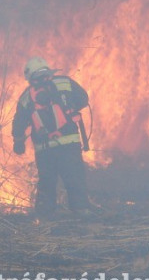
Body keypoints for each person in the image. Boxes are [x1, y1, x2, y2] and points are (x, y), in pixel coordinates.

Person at [11, 57, 93, 217]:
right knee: (74, 178)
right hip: (70, 143)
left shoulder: (26, 97)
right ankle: (81, 211)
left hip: (45, 149)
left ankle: (45, 217)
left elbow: (19, 122)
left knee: (47, 182)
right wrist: (70, 107)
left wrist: (18, 142)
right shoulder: (65, 83)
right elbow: (83, 98)